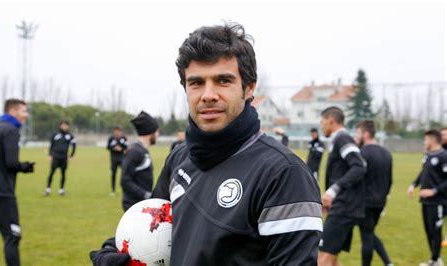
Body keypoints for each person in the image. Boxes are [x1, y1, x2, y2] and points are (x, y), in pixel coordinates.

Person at [91, 22, 322, 265]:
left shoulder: (284, 174)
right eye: (196, 82)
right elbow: (152, 226)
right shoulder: (179, 159)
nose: (208, 94)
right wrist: (118, 249)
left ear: (249, 87)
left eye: (223, 81)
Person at [0, 99, 35, 266]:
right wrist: (25, 167)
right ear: (13, 111)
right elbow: (11, 163)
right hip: (1, 192)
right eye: (24, 111)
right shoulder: (11, 130)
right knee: (12, 237)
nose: (26, 115)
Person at [318, 106, 367, 266]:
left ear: (331, 121)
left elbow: (359, 166)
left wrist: (332, 191)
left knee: (322, 259)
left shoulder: (342, 138)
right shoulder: (338, 140)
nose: (321, 125)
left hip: (344, 208)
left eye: (322, 122)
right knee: (332, 259)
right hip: (343, 206)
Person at [355, 120, 393, 266]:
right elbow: (390, 180)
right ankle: (388, 263)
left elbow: (357, 178)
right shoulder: (387, 153)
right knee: (370, 233)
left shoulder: (362, 153)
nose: (356, 136)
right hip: (380, 202)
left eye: (358, 133)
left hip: (365, 202)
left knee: (366, 236)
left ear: (365, 134)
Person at [407, 129, 447, 266]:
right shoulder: (428, 155)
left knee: (436, 231)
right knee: (428, 230)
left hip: (438, 201)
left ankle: (435, 260)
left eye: (425, 139)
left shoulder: (444, 156)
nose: (424, 142)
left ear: (432, 140)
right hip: (425, 201)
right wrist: (414, 184)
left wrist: (434, 191)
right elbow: (423, 172)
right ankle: (435, 259)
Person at [120, 111, 159, 211]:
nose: (158, 135)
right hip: (133, 205)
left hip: (142, 204)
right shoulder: (134, 151)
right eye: (157, 131)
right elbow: (125, 180)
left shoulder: (142, 151)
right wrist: (145, 194)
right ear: (151, 132)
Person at [44, 120, 76, 196]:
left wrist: (71, 155)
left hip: (64, 158)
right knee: (51, 173)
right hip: (55, 157)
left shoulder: (70, 136)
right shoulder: (55, 134)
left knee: (63, 174)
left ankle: (61, 190)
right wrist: (50, 155)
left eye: (66, 125)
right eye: (63, 125)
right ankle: (48, 189)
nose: (64, 126)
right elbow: (51, 145)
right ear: (60, 125)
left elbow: (74, 146)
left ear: (68, 126)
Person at [107, 126, 128, 196]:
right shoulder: (111, 138)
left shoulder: (123, 138)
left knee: (124, 175)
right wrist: (114, 148)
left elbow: (126, 148)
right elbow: (108, 147)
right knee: (113, 175)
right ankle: (113, 191)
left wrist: (121, 149)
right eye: (116, 131)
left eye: (119, 131)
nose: (117, 132)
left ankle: (125, 190)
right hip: (114, 159)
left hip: (122, 159)